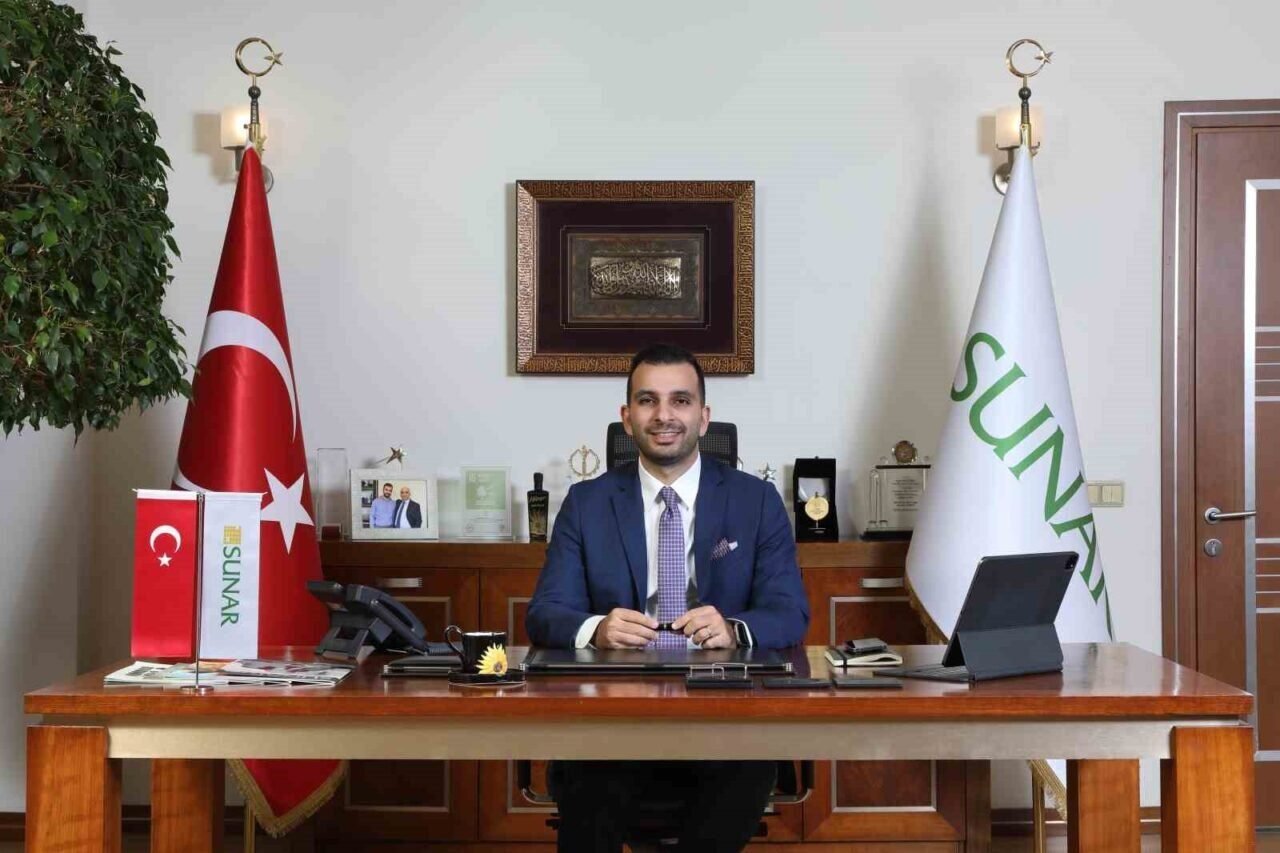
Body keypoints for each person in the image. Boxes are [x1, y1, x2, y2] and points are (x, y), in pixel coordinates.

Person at [526, 343, 809, 853]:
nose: (663, 415)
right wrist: (597, 628)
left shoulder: (755, 501)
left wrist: (734, 629)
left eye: (680, 400)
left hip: (724, 715)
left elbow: (789, 610)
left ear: (704, 417)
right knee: (588, 782)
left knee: (743, 773)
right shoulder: (587, 503)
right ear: (627, 417)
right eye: (647, 400)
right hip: (613, 716)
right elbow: (546, 612)